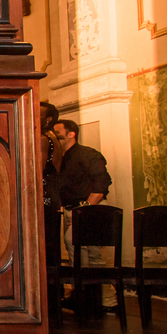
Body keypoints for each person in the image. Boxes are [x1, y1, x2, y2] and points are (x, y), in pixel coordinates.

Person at [53, 119, 114, 314]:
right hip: (72, 209)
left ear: (71, 134)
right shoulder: (61, 159)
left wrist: (87, 208)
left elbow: (102, 182)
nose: (54, 135)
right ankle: (105, 301)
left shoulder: (87, 154)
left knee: (76, 244)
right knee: (91, 255)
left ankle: (88, 296)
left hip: (87, 209)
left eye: (57, 132)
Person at [40, 103, 62, 266]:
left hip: (44, 194)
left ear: (48, 119)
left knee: (45, 242)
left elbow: (37, 171)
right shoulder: (52, 136)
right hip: (51, 193)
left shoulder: (43, 139)